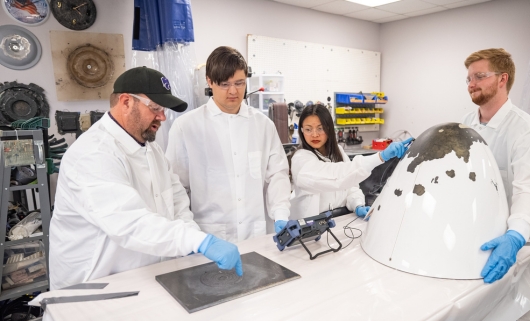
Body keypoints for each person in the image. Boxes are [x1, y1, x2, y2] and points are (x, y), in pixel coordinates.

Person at [49, 67, 242, 290]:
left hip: (144, 279)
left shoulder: (152, 150)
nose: (162, 116)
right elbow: (129, 222)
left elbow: (177, 202)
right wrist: (199, 241)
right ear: (125, 102)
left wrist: (191, 236)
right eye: (155, 108)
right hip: (93, 287)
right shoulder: (93, 153)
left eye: (164, 109)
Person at [166, 46, 291, 242]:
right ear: (209, 81)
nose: (233, 91)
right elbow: (176, 188)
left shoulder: (263, 125)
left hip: (257, 234)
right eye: (225, 84)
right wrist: (189, 232)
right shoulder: (186, 127)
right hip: (209, 237)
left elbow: (277, 175)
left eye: (240, 83)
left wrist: (281, 213)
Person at [462, 48, 530, 283]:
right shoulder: (466, 123)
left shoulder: (524, 129)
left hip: (503, 237)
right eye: (468, 78)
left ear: (502, 79)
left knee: (498, 307)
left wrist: (515, 235)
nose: (471, 84)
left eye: (479, 76)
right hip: (469, 229)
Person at [289, 104, 413, 225]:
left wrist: (357, 204)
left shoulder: (337, 151)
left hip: (339, 220)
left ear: (329, 129)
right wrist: (381, 157)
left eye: (320, 128)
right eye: (308, 129)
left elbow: (351, 186)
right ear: (301, 131)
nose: (314, 134)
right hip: (310, 226)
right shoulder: (300, 159)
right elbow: (335, 177)